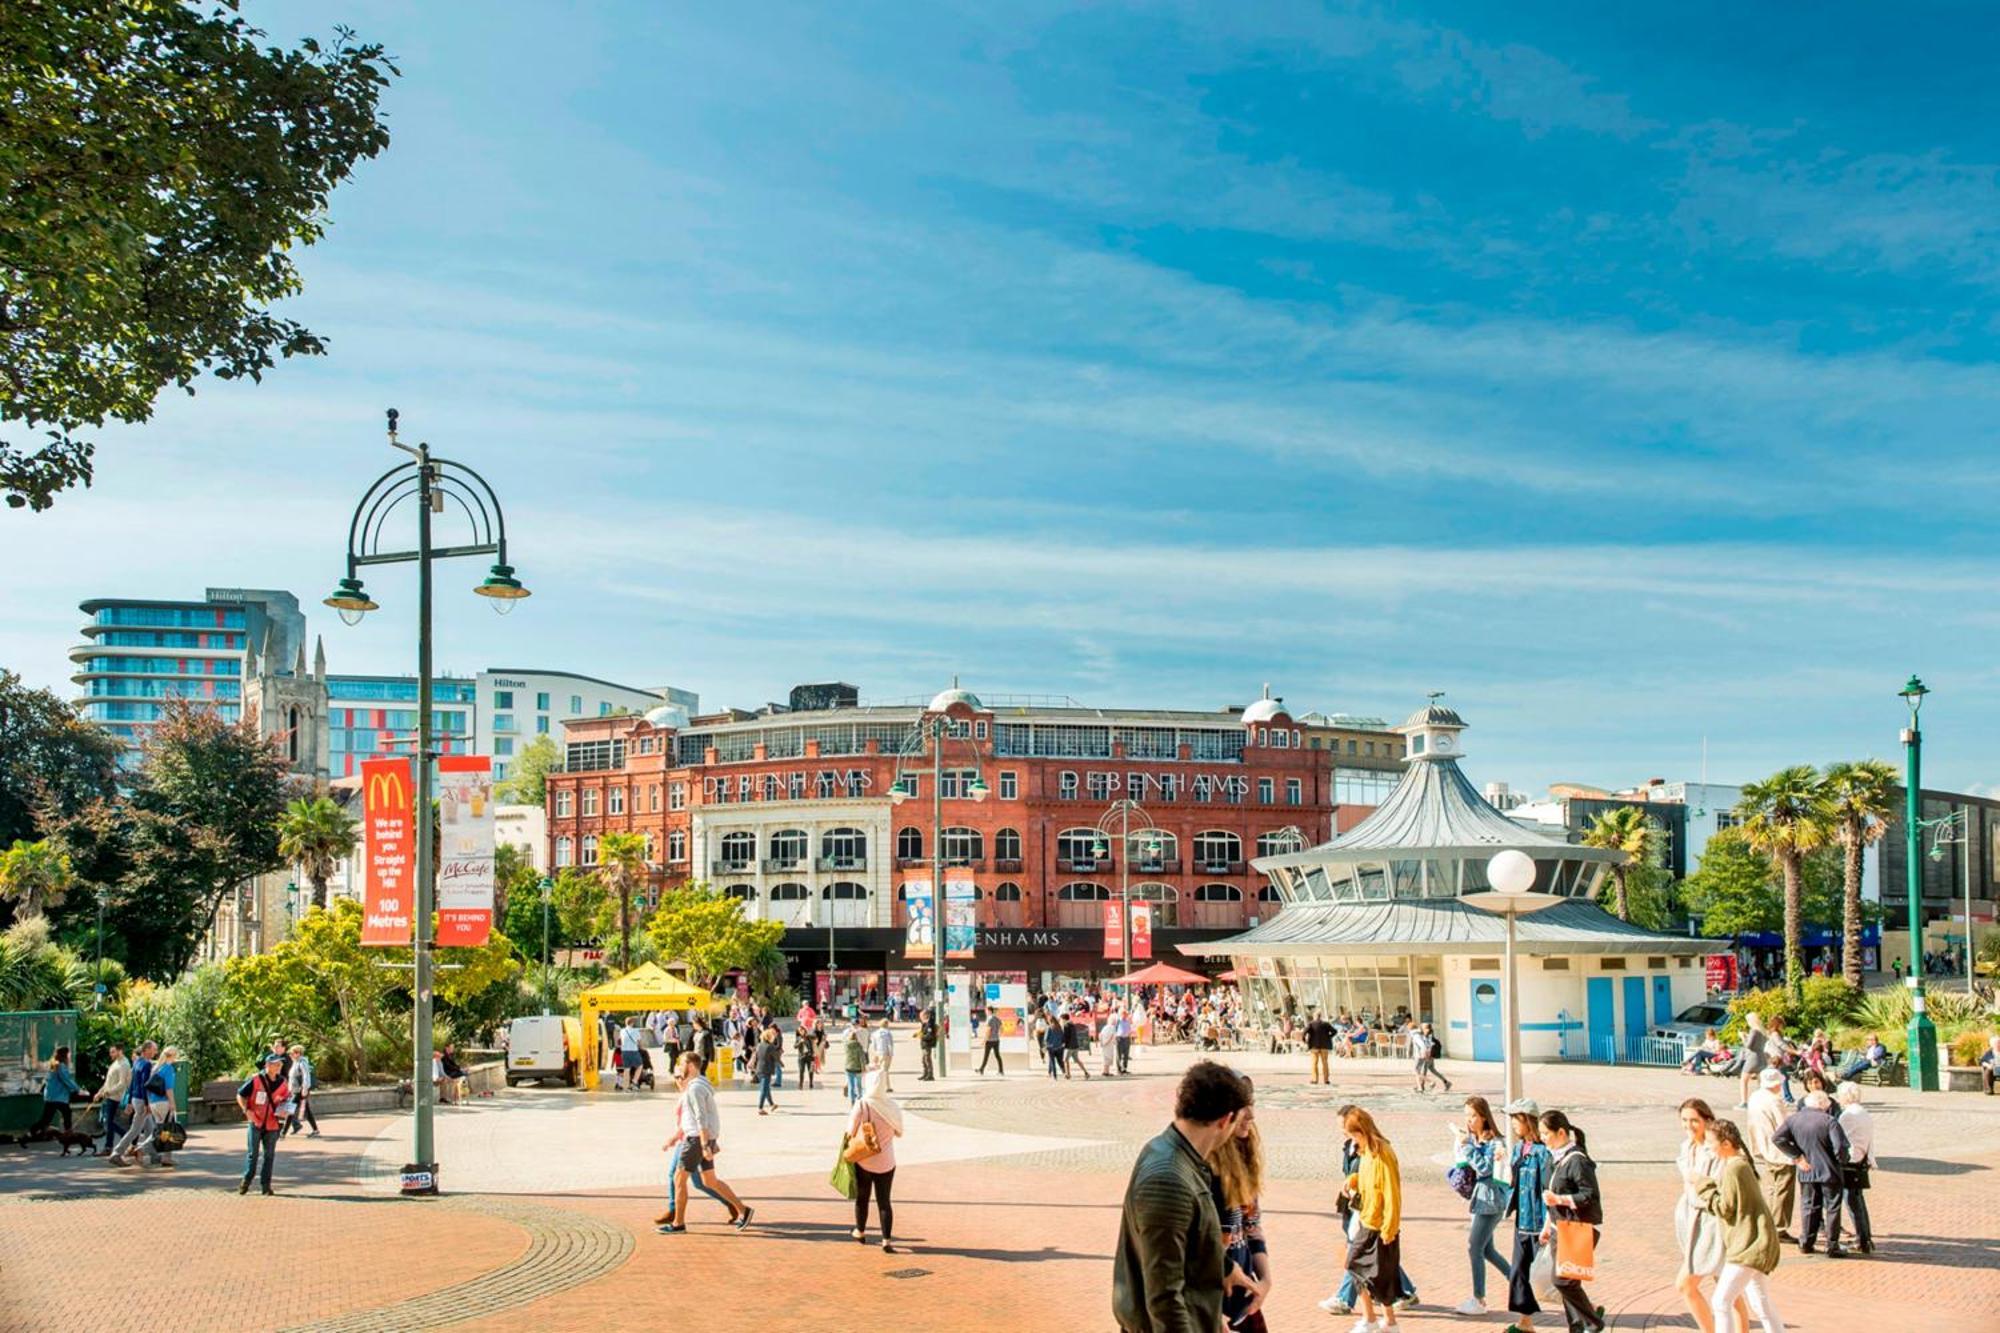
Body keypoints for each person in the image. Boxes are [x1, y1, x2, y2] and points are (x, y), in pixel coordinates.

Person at [1112, 1061, 1250, 1333]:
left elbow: (1186, 1243)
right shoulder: (1169, 1179)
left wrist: (1224, 1268)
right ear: (1225, 1120)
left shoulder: (1175, 1155)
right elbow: (1164, 1298)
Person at [1694, 1120, 1787, 1333]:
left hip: (1749, 1245)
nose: (1708, 1147)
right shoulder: (1741, 1164)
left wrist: (1703, 1185)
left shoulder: (1734, 1168)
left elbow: (1725, 1207)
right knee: (1760, 1301)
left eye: (1711, 1142)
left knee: (1721, 1301)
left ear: (1726, 1144)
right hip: (1758, 1242)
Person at [1673, 1098, 1746, 1333]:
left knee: (1686, 1284)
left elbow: (1719, 1186)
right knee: (1726, 1285)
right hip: (1692, 1219)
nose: (1689, 1125)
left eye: (1695, 1120)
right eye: (1684, 1120)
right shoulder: (1687, 1146)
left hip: (1712, 1221)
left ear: (1707, 1120)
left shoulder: (1715, 1148)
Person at [662, 1052, 752, 1232]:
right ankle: (743, 1210)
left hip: (696, 1139)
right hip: (701, 1138)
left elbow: (701, 1118)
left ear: (692, 1066)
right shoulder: (698, 1086)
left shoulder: (695, 1089)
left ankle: (678, 1224)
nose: (679, 1067)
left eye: (682, 1064)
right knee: (710, 1181)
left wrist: (704, 1144)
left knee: (679, 1179)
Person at [1213, 1076, 1271, 1331]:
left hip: (1244, 1293)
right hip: (1214, 1295)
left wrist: (1266, 1280)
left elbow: (1251, 1224)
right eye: (1242, 1106)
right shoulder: (1205, 1166)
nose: (1251, 1115)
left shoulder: (1245, 1155)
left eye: (1251, 1104)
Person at [1539, 1109, 1605, 1333]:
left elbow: (1588, 1195)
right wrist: (1547, 1226)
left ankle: (1593, 1322)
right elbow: (1550, 1194)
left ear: (1560, 1132)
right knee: (1569, 1283)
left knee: (1563, 1282)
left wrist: (1559, 1199)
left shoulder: (1577, 1161)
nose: (1542, 1138)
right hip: (1560, 1228)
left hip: (1578, 1228)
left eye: (1545, 1133)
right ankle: (1578, 1327)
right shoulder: (1554, 1159)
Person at [1341, 1105, 1404, 1333]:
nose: (1351, 1141)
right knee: (1365, 1270)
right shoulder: (1366, 1152)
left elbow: (1391, 1192)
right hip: (1368, 1218)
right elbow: (1370, 1178)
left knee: (1373, 1273)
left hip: (1379, 1224)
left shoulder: (1382, 1152)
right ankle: (1382, 1321)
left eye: (1352, 1135)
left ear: (1362, 1131)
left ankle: (1381, 1321)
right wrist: (1354, 1180)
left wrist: (1390, 1227)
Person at [1455, 1095, 1513, 1315]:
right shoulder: (1476, 1139)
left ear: (1484, 1116)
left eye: (1473, 1116)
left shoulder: (1494, 1141)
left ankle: (1479, 1299)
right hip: (1481, 1198)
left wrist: (1467, 1148)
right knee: (1487, 1250)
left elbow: (1485, 1169)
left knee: (1474, 1247)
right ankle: (1517, 1281)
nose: (1469, 1121)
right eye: (1466, 1116)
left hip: (1491, 1200)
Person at [1772, 1089, 1848, 1256]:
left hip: (1807, 1170)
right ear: (1823, 1104)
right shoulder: (1829, 1121)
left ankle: (1806, 1241)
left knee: (1809, 1206)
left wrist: (1797, 1156)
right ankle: (1832, 1245)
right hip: (1829, 1171)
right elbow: (1840, 1148)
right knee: (1833, 1207)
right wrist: (1842, 1160)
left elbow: (1778, 1138)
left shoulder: (1793, 1120)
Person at [1502, 1097, 1551, 1333]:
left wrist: (1550, 1223)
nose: (1512, 1124)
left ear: (1527, 1120)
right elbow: (1513, 1181)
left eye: (1515, 1119)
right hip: (1523, 1219)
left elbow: (1548, 1187)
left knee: (1551, 1277)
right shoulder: (1519, 1148)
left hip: (1540, 1222)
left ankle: (1588, 1310)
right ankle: (1525, 1322)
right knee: (1519, 1273)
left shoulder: (1544, 1152)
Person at [847, 1067, 905, 1252]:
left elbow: (850, 1131)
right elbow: (899, 1132)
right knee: (884, 1201)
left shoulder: (862, 1105)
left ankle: (860, 1231)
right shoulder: (892, 1107)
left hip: (864, 1160)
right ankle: (886, 1240)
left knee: (862, 1198)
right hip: (887, 1162)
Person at [1744, 1069, 1796, 1243]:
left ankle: (1767, 1221)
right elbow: (1784, 1126)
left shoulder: (1755, 1097)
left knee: (1772, 1187)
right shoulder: (1774, 1101)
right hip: (1779, 1150)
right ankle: (1779, 1226)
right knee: (1783, 1188)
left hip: (1764, 1146)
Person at [236, 1050, 292, 1195]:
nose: (279, 1066)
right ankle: (246, 1181)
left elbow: (287, 1100)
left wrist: (285, 1110)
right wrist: (247, 1111)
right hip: (256, 1123)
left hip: (272, 1124)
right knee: (252, 1155)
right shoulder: (256, 1080)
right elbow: (240, 1095)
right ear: (267, 1065)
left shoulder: (283, 1082)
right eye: (276, 1064)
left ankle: (266, 1186)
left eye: (280, 1064)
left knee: (269, 1156)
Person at [1833, 1082, 1875, 1254]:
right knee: (1858, 1200)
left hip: (1850, 1162)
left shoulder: (1847, 1115)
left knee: (1852, 1201)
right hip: (1862, 1159)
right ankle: (1866, 1237)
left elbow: (1841, 1139)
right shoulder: (1863, 1112)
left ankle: (1862, 1239)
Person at [108, 1040, 158, 1166]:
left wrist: (130, 1101)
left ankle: (154, 1155)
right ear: (146, 1050)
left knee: (150, 1128)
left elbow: (133, 1084)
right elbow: (145, 1085)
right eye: (153, 1049)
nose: (155, 1052)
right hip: (142, 1100)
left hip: (136, 1099)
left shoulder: (137, 1063)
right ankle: (116, 1153)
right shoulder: (146, 1064)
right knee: (135, 1130)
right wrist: (148, 1103)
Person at [28, 1045, 81, 1139]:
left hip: (51, 1096)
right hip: (58, 1096)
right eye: (69, 1054)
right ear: (65, 1055)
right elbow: (66, 1080)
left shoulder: (53, 1064)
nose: (69, 1056)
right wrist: (78, 1089)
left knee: (47, 1118)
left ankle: (32, 1132)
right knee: (65, 1113)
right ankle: (68, 1134)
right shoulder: (61, 1066)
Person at [90, 1043, 131, 1156]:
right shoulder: (115, 1063)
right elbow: (108, 1082)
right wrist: (100, 1092)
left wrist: (108, 1092)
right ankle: (122, 1140)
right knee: (108, 1122)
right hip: (109, 1096)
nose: (110, 1054)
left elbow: (122, 1084)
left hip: (115, 1097)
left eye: (113, 1052)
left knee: (108, 1122)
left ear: (120, 1051)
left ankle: (114, 1144)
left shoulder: (124, 1064)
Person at [285, 1044, 319, 1138]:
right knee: (306, 1111)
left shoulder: (302, 1063)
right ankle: (315, 1130)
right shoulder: (295, 1063)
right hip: (295, 1091)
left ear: (298, 1053)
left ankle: (283, 1133)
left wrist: (304, 1089)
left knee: (290, 1110)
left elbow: (306, 1076)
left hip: (300, 1091)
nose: (290, 1055)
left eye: (292, 1053)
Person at [1738, 1012, 1769, 1109]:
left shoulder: (1754, 1031)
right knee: (1760, 1081)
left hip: (1753, 1058)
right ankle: (1762, 1101)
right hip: (1762, 1056)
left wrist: (1743, 1037)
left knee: (1744, 1080)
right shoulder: (1762, 1031)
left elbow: (1749, 1046)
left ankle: (1744, 1102)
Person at [752, 1025, 781, 1115]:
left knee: (766, 1088)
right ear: (769, 1037)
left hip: (759, 1069)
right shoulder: (770, 1046)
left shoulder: (759, 1045)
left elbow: (756, 1057)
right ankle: (760, 1108)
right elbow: (776, 1057)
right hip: (766, 1069)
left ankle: (772, 1104)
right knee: (764, 1089)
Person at [1414, 1022, 1450, 1093]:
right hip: (1429, 1054)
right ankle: (1446, 1082)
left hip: (1423, 1055)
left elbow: (1423, 1045)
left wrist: (1425, 1053)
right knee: (1431, 1069)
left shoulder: (1421, 1035)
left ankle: (1425, 1084)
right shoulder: (1429, 1034)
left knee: (1417, 1071)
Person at [1304, 1009, 1335, 1085]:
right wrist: (1329, 1037)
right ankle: (1326, 1080)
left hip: (1314, 1046)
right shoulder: (1326, 1024)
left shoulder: (1311, 1024)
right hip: (1324, 1046)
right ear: (1320, 1016)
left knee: (1314, 1063)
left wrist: (1305, 1041)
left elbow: (1304, 1032)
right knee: (1325, 1063)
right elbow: (1334, 1031)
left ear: (1314, 1016)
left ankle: (1315, 1079)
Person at [868, 1015, 895, 1092]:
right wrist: (891, 1054)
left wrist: (874, 1054)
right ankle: (887, 1086)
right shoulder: (888, 1033)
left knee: (877, 1070)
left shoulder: (875, 1033)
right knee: (885, 1070)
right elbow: (890, 1044)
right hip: (886, 1053)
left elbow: (873, 1045)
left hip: (877, 1053)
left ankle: (877, 1085)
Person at [843, 1025, 868, 1103]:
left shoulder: (846, 1046)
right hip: (857, 1068)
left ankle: (852, 1100)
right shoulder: (859, 1046)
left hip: (848, 1067)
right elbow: (862, 1058)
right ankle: (860, 1098)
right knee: (859, 1084)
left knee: (851, 1085)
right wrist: (864, 1068)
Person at [978, 1008, 1004, 1075]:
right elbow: (1002, 1029)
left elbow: (988, 1031)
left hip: (990, 1041)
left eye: (986, 1011)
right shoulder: (998, 1019)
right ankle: (1001, 1071)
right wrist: (998, 1035)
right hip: (996, 1040)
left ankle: (981, 1069)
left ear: (989, 1011)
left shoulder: (990, 1020)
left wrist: (984, 1041)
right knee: (997, 1055)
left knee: (986, 1056)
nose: (986, 1012)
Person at [795, 1020, 819, 1091]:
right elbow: (795, 1046)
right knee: (801, 1071)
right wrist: (800, 1042)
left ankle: (811, 1083)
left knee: (810, 1071)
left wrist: (809, 1034)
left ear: (804, 1030)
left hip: (810, 1056)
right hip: (801, 1057)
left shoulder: (809, 1037)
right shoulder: (798, 1038)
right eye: (799, 1031)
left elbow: (815, 1037)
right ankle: (800, 1084)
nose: (801, 1032)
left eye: (802, 1030)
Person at [1044, 1014, 1067, 1080]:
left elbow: (1046, 1039)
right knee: (1060, 1061)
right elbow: (1063, 1038)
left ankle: (1055, 1076)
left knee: (1052, 1061)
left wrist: (1046, 1045)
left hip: (1051, 1047)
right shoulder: (1059, 1027)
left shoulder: (1049, 1028)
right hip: (1060, 1047)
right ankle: (1064, 1073)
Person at [918, 1008, 938, 1081]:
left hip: (927, 1044)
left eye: (921, 1016)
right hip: (924, 1044)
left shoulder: (929, 1024)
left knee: (927, 1059)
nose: (920, 1017)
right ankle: (925, 1073)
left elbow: (930, 1035)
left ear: (926, 1015)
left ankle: (930, 1075)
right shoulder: (925, 1023)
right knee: (923, 1060)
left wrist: (922, 1036)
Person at [1116, 1005, 1134, 1074]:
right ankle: (1119, 1069)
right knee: (1119, 1055)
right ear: (1120, 1014)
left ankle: (1124, 1068)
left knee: (1126, 1055)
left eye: (1126, 1014)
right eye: (1123, 1013)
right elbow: (1114, 1029)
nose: (1125, 1015)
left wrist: (1129, 1037)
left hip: (1126, 1038)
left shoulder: (1127, 1021)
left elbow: (1129, 1029)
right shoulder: (1118, 1021)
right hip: (1119, 1038)